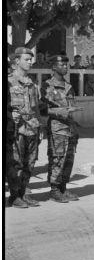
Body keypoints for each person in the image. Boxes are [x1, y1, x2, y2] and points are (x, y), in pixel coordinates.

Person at [42, 55, 83, 203]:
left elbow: (70, 106)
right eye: (62, 64)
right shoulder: (46, 85)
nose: (65, 67)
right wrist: (59, 112)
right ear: (53, 67)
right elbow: (41, 109)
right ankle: (54, 190)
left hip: (70, 128)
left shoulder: (69, 86)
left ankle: (63, 188)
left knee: (68, 159)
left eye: (67, 65)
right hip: (57, 129)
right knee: (57, 158)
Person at [6, 47, 42, 208]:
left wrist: (40, 128)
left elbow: (36, 109)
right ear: (16, 61)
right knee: (16, 164)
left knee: (30, 163)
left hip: (32, 128)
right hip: (16, 129)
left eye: (30, 59)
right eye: (26, 59)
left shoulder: (32, 83)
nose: (30, 62)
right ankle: (14, 196)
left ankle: (23, 193)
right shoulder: (7, 82)